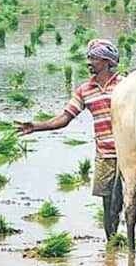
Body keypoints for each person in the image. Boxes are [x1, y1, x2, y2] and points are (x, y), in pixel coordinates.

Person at [16, 39, 124, 240]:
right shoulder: (84, 90)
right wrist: (36, 127)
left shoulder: (125, 85)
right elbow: (64, 119)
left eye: (93, 58)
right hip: (105, 154)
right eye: (88, 58)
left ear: (107, 60)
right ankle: (112, 245)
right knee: (109, 205)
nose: (88, 62)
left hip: (131, 154)